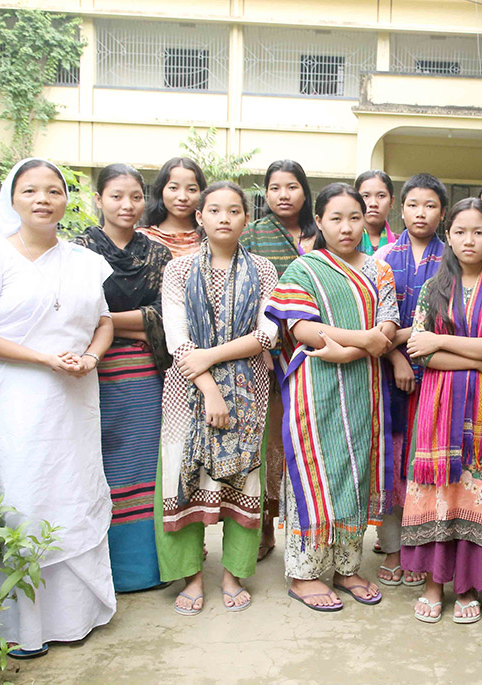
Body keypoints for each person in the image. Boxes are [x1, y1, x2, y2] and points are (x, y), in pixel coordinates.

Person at [0, 158, 116, 658]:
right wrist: (43, 357)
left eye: (54, 191)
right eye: (30, 191)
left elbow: (103, 321)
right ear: (13, 199)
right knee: (20, 500)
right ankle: (18, 625)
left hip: (73, 397)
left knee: (69, 493)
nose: (43, 199)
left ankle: (76, 615)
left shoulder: (84, 260)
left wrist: (90, 356)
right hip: (11, 402)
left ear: (67, 200)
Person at [266, 183, 400, 612]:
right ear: (318, 222)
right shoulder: (303, 270)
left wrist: (352, 349)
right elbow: (302, 330)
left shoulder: (379, 270)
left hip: (363, 388)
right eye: (336, 219)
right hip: (315, 388)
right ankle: (304, 573)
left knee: (354, 471)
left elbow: (388, 330)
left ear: (367, 221)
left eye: (355, 218)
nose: (346, 228)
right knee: (314, 472)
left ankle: (346, 566)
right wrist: (362, 340)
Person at [154, 181, 279, 616]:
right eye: (214, 210)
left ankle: (233, 573)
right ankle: (190, 575)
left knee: (243, 479)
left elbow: (268, 334)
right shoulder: (179, 269)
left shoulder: (264, 270)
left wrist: (213, 355)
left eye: (234, 210)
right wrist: (209, 388)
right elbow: (176, 337)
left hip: (250, 390)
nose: (224, 217)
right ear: (200, 216)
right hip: (186, 390)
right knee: (181, 478)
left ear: (246, 218)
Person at [401, 197, 482, 625]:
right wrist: (478, 362)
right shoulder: (435, 287)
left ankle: (467, 585)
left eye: (480, 232)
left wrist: (441, 341)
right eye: (461, 232)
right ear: (448, 236)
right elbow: (418, 350)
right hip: (437, 406)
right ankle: (434, 583)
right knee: (438, 493)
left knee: (476, 490)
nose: (469, 240)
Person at [73, 164, 173, 593]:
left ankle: (143, 569)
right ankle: (96, 570)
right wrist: (119, 324)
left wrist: (106, 321)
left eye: (135, 196)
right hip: (88, 375)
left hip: (145, 377)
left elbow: (168, 318)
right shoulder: (77, 252)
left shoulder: (157, 254)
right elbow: (74, 316)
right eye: (116, 196)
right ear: (98, 200)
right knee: (95, 467)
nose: (127, 205)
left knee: (144, 469)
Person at [371, 173, 447, 588]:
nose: (421, 212)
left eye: (431, 205)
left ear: (442, 211)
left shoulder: (452, 258)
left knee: (426, 464)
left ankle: (422, 551)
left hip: (439, 376)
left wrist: (412, 347)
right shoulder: (382, 257)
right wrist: (398, 355)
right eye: (414, 204)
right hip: (387, 376)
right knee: (391, 464)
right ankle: (393, 547)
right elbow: (373, 323)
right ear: (401, 208)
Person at [241, 159, 319, 559]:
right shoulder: (252, 234)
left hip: (317, 353)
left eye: (291, 186)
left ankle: (310, 529)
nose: (283, 195)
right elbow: (252, 296)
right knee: (268, 443)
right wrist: (268, 349)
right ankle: (264, 527)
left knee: (307, 442)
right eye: (274, 188)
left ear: (304, 191)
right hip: (267, 355)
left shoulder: (320, 233)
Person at [138, 157, 207, 258]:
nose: (182, 197)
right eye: (173, 188)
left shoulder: (211, 240)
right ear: (161, 190)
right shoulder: (142, 240)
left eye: (191, 189)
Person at [355, 169, 397, 255]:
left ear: (391, 201)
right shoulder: (346, 242)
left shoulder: (401, 245)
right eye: (366, 196)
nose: (373, 203)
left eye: (381, 196)